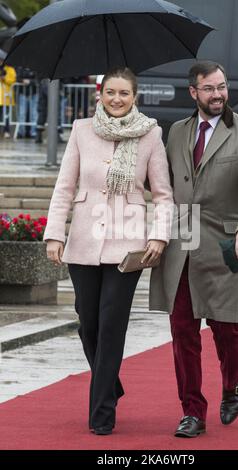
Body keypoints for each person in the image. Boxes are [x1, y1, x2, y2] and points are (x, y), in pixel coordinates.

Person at [44, 67, 173, 435]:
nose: (117, 99)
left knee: (111, 326)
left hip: (128, 247)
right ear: (100, 94)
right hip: (83, 241)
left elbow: (163, 195)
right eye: (111, 92)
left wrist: (159, 237)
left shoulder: (150, 134)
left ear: (135, 97)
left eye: (125, 93)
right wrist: (55, 234)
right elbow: (64, 187)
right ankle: (110, 382)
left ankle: (101, 413)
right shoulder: (82, 131)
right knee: (89, 324)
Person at [149, 61, 238, 438]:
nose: (218, 94)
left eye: (222, 86)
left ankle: (232, 383)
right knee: (182, 329)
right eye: (209, 88)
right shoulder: (176, 132)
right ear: (193, 92)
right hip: (183, 239)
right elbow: (164, 184)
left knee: (228, 328)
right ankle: (192, 410)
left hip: (228, 242)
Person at [0, 59, 16, 138]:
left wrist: (4, 79)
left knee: (6, 116)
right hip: (1, 96)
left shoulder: (10, 69)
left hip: (6, 97)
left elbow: (13, 80)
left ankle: (6, 131)